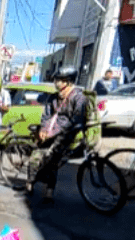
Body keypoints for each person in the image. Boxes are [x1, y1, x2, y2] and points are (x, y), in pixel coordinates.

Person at [17, 66, 88, 206]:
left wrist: (65, 133)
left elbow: (78, 119)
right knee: (35, 158)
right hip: (49, 133)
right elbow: (46, 115)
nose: (57, 83)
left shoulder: (78, 98)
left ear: (69, 82)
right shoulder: (54, 97)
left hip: (64, 135)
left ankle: (48, 194)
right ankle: (29, 186)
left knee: (51, 163)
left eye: (60, 80)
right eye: (56, 80)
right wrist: (43, 129)